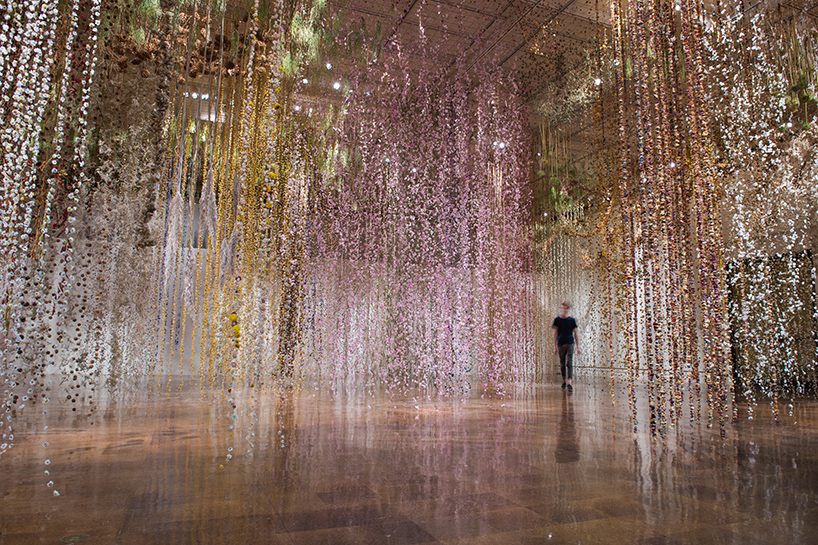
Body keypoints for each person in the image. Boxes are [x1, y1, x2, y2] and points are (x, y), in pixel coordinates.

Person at [553, 302, 580, 392]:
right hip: (561, 343)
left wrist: (578, 347)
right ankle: (564, 381)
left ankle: (569, 383)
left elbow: (576, 333)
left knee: (569, 362)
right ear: (561, 309)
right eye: (563, 308)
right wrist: (554, 346)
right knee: (562, 363)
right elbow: (555, 333)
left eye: (566, 308)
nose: (564, 310)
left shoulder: (572, 320)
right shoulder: (557, 320)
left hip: (570, 343)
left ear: (568, 309)